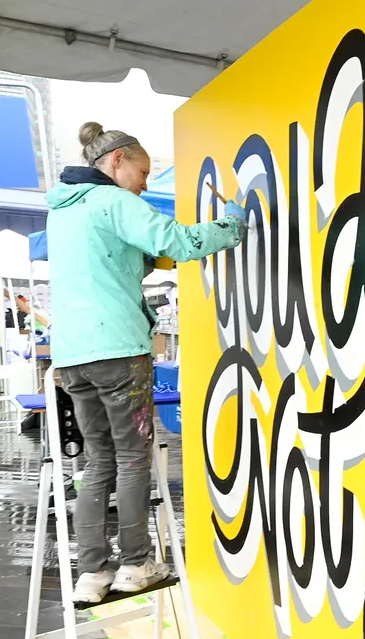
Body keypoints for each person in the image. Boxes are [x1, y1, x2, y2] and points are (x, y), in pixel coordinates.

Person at [49, 121, 244, 604]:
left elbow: (120, 262)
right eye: (141, 171)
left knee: (98, 463)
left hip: (73, 356)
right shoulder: (114, 201)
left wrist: (152, 261)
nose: (143, 183)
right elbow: (179, 243)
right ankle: (136, 564)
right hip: (117, 350)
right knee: (133, 457)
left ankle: (91, 574)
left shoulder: (64, 210)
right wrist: (230, 228)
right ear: (117, 160)